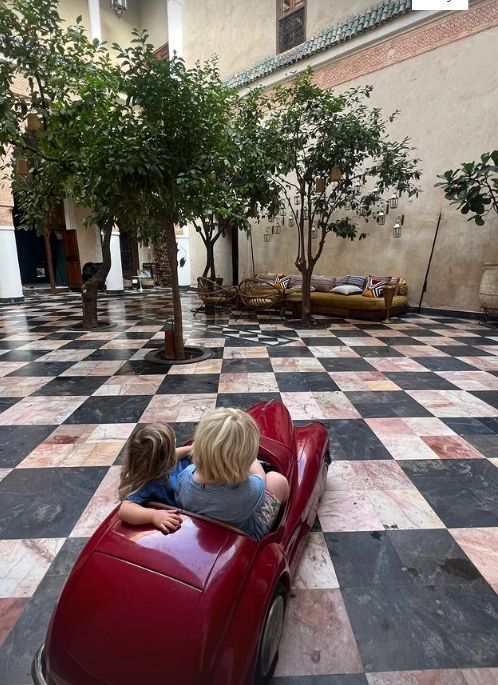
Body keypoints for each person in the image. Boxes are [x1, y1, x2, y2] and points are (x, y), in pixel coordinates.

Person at [176, 408, 290, 540]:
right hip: (246, 534)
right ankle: (279, 522)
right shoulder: (250, 490)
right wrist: (252, 458)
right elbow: (261, 477)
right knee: (277, 480)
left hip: (202, 530)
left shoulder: (185, 476)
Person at [117, 424, 192, 534]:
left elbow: (175, 454)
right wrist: (153, 516)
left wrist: (191, 448)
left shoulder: (158, 463)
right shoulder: (148, 483)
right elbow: (124, 511)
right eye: (173, 445)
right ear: (165, 460)